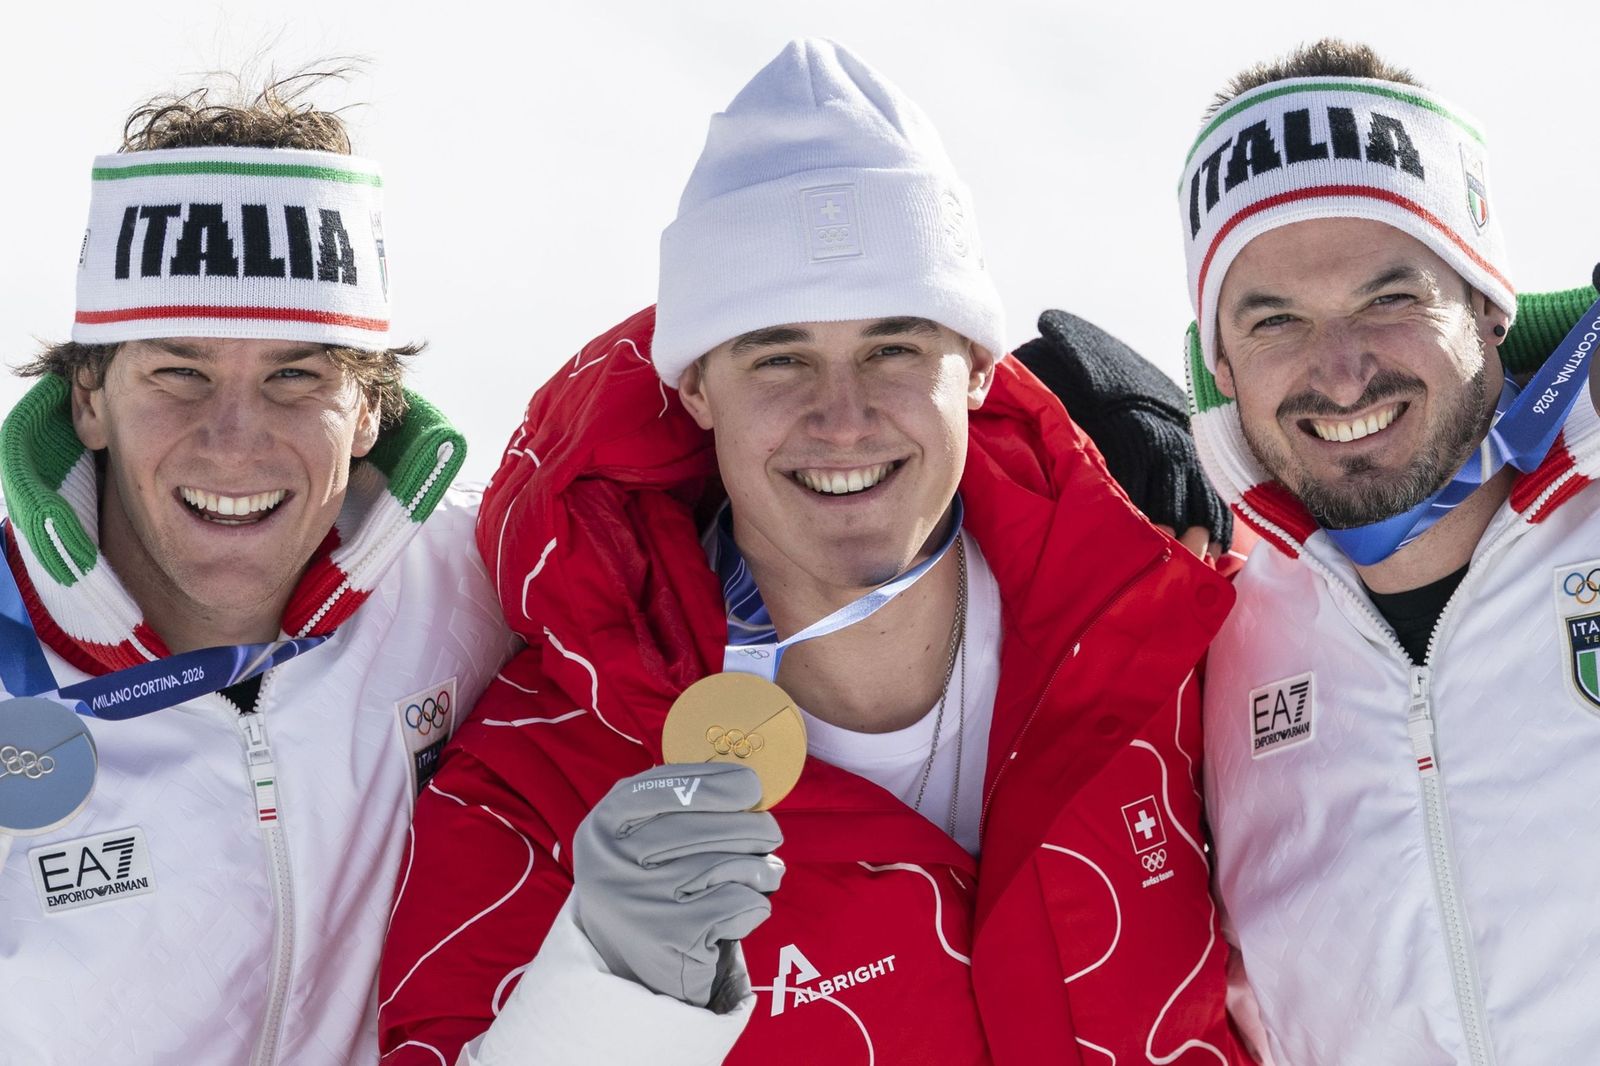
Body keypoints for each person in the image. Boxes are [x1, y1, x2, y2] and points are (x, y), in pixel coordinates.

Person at [377, 38, 1250, 1065]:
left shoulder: (1179, 636)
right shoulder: (542, 773)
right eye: (779, 357)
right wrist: (608, 996)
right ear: (697, 389)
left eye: (893, 348)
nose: (843, 419)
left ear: (973, 364)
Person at [0, 76, 516, 1065]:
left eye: (296, 375)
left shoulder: (478, 581)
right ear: (89, 399)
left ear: (370, 409)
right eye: (178, 372)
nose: (234, 444)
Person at [1173, 38, 1600, 1065]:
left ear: (1488, 302)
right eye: (1274, 320)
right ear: (1219, 362)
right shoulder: (1188, 623)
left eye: (1388, 297)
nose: (1342, 371)